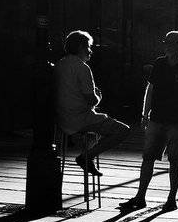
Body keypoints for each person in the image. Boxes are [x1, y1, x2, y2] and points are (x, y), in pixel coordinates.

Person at [119, 31, 178, 213]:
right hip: (157, 119)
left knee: (175, 161)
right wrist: (145, 114)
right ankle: (140, 196)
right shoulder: (159, 63)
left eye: (170, 43)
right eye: (166, 43)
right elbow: (151, 89)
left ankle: (171, 199)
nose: (166, 46)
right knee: (148, 158)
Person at [54, 30, 131, 176]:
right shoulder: (82, 68)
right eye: (88, 47)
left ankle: (88, 155)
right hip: (80, 118)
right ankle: (87, 156)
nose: (90, 51)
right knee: (123, 130)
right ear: (80, 47)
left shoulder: (60, 65)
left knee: (93, 133)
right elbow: (91, 100)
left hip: (62, 118)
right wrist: (98, 96)